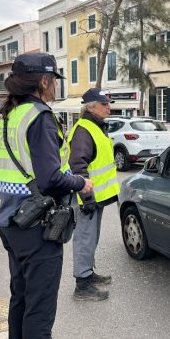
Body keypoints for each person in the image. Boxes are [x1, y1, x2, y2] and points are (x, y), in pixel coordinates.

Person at [0, 53, 93, 339]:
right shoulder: (40, 116)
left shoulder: (11, 113)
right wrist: (80, 183)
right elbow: (50, 178)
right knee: (39, 310)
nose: (55, 87)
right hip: (37, 228)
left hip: (12, 221)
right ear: (44, 81)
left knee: (21, 298)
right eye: (54, 81)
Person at [68, 88, 120, 301]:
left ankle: (87, 273)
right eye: (104, 103)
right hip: (86, 197)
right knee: (84, 238)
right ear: (90, 107)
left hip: (93, 196)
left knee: (91, 237)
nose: (109, 106)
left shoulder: (95, 127)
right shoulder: (84, 130)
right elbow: (77, 166)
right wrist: (86, 198)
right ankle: (82, 285)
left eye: (108, 103)